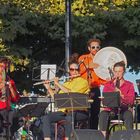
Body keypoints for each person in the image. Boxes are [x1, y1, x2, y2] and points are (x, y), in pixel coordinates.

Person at [42, 61, 90, 140]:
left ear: (79, 71)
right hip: (66, 111)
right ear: (69, 71)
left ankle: (67, 138)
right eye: (72, 69)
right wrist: (48, 88)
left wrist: (57, 84)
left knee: (69, 117)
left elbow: (71, 93)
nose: (74, 71)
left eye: (76, 69)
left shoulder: (83, 82)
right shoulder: (66, 83)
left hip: (79, 112)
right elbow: (57, 98)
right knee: (46, 117)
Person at [98, 61, 135, 136]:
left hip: (123, 110)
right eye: (116, 71)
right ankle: (103, 136)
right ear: (113, 72)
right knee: (103, 114)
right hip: (111, 110)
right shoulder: (108, 85)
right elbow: (105, 100)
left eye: (120, 71)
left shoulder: (129, 85)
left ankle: (129, 136)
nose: (117, 74)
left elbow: (131, 101)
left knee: (128, 115)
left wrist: (121, 95)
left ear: (123, 72)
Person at [78, 38, 106, 129]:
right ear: (89, 48)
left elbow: (102, 78)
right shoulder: (83, 58)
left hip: (95, 89)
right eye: (93, 47)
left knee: (95, 113)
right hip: (84, 89)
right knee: (83, 113)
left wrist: (108, 80)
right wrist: (90, 66)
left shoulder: (102, 60)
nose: (95, 49)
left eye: (97, 47)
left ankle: (93, 134)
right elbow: (78, 71)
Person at [0, 57, 20, 136]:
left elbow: (15, 99)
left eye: (5, 66)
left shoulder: (10, 80)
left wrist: (11, 88)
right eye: (1, 66)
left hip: (7, 109)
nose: (3, 69)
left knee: (8, 133)